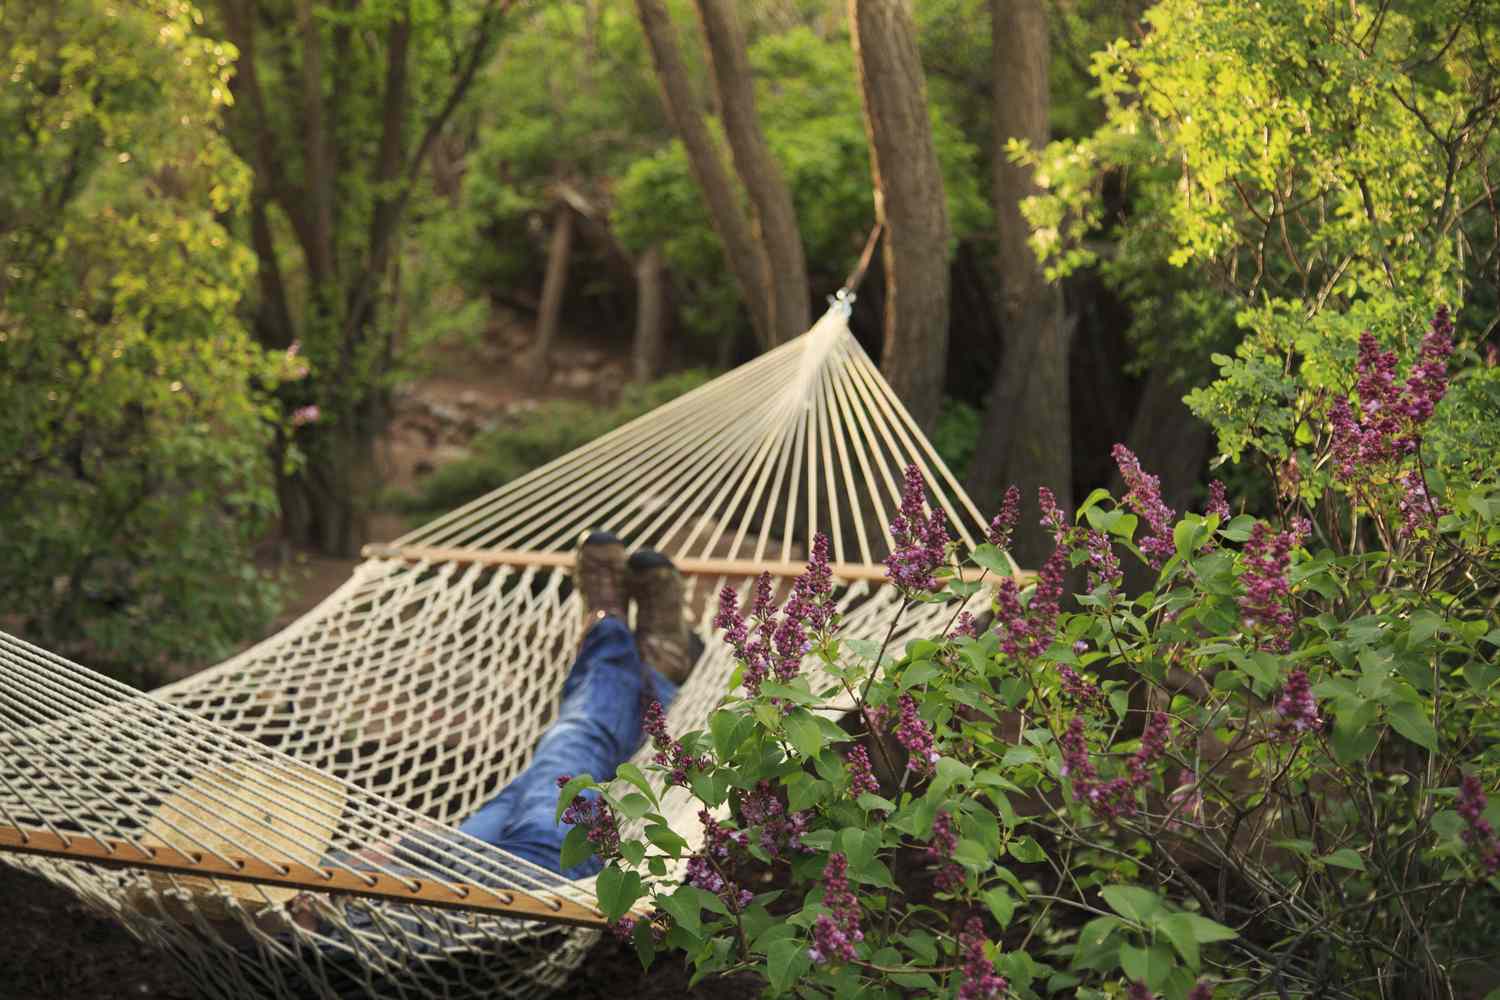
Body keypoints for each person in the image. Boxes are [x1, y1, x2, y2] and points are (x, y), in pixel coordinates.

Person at [445, 529, 694, 878]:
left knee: (514, 798)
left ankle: (623, 647)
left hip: (420, 875)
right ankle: (641, 663)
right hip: (535, 875)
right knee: (578, 738)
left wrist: (393, 850)